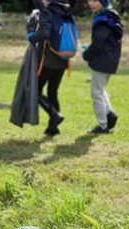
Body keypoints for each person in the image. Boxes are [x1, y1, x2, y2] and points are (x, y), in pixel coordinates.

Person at [26, 0, 77, 137]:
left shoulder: (46, 12)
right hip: (63, 58)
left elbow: (45, 34)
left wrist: (32, 37)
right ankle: (53, 128)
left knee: (35, 90)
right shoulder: (67, 12)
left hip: (48, 60)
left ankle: (54, 115)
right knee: (52, 91)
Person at [82, 0, 124, 134]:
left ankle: (103, 125)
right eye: (90, 0)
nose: (91, 4)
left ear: (103, 3)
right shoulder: (111, 17)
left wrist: (87, 54)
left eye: (96, 1)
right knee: (100, 89)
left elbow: (98, 43)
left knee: (96, 93)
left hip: (101, 61)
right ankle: (110, 115)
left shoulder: (102, 20)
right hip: (111, 61)